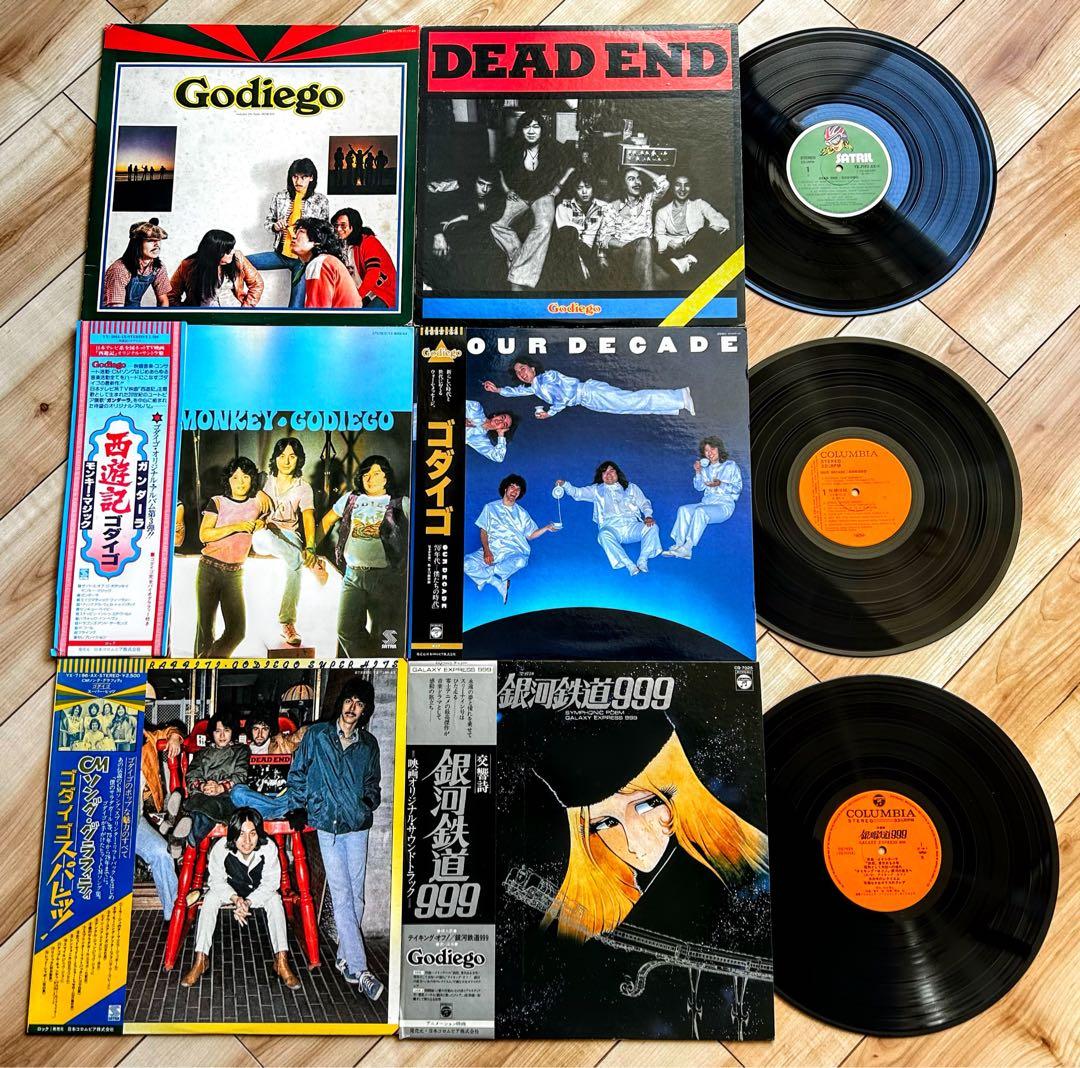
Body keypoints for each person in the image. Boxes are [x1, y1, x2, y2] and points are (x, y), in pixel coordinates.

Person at [536, 714, 768, 942]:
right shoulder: (574, 926)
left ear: (683, 791)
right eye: (604, 824)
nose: (634, 843)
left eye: (649, 803)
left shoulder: (753, 880)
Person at [227, 679, 387, 1000]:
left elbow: (373, 781)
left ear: (365, 711)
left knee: (357, 897)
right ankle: (361, 970)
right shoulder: (317, 735)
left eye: (360, 704)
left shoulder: (368, 744)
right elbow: (298, 774)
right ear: (341, 703)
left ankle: (344, 958)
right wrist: (299, 807)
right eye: (349, 701)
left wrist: (368, 800)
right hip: (327, 823)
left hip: (357, 824)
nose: (352, 708)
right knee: (342, 895)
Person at [179, 807, 301, 991]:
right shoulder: (221, 848)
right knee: (210, 899)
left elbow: (271, 883)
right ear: (233, 833)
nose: (247, 841)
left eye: (252, 834)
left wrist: (248, 902)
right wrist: (236, 899)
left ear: (258, 833)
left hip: (258, 893)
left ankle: (281, 961)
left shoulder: (268, 847)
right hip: (230, 891)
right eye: (241, 834)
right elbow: (216, 881)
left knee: (275, 900)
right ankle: (200, 959)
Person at [322, 455, 409, 656]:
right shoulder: (351, 499)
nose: (370, 479)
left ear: (386, 477)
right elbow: (327, 521)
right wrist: (311, 549)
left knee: (387, 634)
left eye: (376, 473)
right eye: (366, 474)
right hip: (352, 576)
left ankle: (382, 667)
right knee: (346, 630)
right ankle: (366, 664)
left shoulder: (399, 502)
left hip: (385, 577)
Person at [249, 437, 324, 649]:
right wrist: (258, 491)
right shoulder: (263, 479)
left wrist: (310, 546)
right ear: (275, 458)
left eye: (292, 456)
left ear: (299, 459)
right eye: (282, 456)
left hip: (290, 535)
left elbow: (308, 516)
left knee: (294, 565)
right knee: (261, 537)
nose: (286, 461)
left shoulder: (304, 487)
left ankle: (287, 622)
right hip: (265, 531)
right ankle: (298, 557)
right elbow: (240, 484)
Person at [194, 457, 271, 658]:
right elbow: (204, 535)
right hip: (209, 569)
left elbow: (269, 514)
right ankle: (203, 667)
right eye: (235, 477)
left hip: (235, 574)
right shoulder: (218, 501)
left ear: (252, 479)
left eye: (245, 477)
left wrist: (262, 523)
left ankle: (210, 661)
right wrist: (237, 527)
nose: (240, 482)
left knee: (237, 631)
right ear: (228, 480)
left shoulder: (257, 503)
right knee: (205, 633)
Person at [490, 111, 575, 289]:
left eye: (536, 127)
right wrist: (506, 190)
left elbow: (573, 165)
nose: (531, 131)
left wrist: (558, 186)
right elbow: (499, 169)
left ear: (542, 130)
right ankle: (519, 258)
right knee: (496, 224)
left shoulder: (553, 148)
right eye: (527, 127)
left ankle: (516, 278)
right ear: (521, 130)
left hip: (543, 195)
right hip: (519, 195)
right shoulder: (511, 147)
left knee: (544, 226)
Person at [484, 356, 694, 419]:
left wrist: (550, 413)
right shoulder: (535, 387)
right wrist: (498, 390)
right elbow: (517, 391)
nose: (521, 373)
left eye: (523, 368)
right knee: (629, 408)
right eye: (518, 373)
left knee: (632, 400)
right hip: (589, 401)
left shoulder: (547, 377)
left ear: (532, 367)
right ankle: (675, 405)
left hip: (590, 392)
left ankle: (680, 396)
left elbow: (562, 397)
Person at [164, 714, 250, 858]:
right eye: (217, 731)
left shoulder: (241, 750)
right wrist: (202, 786)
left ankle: (178, 826)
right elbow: (192, 774)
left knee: (205, 809)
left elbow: (240, 775)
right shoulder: (202, 753)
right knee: (199, 802)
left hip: (227, 797)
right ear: (212, 733)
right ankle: (181, 832)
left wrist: (220, 787)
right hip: (202, 793)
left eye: (226, 730)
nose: (222, 735)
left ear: (233, 732)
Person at [248, 158, 329, 308]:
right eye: (295, 177)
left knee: (296, 306)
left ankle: (292, 324)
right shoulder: (280, 197)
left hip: (303, 260)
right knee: (241, 262)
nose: (298, 181)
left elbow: (325, 232)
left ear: (311, 178)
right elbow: (268, 223)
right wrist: (275, 226)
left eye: (303, 177)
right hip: (281, 253)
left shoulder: (320, 201)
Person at [557, 461, 661, 575]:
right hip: (612, 528)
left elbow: (644, 503)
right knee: (603, 535)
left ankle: (643, 560)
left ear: (617, 473)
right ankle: (629, 564)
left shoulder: (631, 487)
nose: (608, 474)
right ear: (601, 476)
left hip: (632, 525)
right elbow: (577, 493)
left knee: (652, 527)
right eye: (604, 472)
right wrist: (564, 484)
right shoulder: (596, 490)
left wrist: (648, 516)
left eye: (611, 471)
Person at [464, 475, 557, 603]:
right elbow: (483, 531)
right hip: (492, 550)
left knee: (521, 561)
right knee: (466, 564)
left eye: (518, 489)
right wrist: (487, 550)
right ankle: (497, 583)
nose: (515, 491)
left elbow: (530, 535)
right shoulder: (490, 507)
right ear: (505, 489)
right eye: (512, 487)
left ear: (520, 494)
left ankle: (486, 575)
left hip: (513, 552)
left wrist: (546, 528)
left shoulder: (522, 513)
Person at [664, 437, 743, 560]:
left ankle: (687, 548)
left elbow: (738, 488)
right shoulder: (706, 469)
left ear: (719, 449)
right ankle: (678, 545)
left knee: (700, 511)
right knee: (683, 510)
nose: (710, 453)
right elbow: (699, 487)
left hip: (724, 505)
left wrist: (720, 484)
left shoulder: (730, 466)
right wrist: (698, 472)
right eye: (706, 451)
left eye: (712, 449)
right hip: (707, 503)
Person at [427, 169, 506, 290]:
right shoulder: (459, 193)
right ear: (474, 181)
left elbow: (488, 219)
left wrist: (463, 217)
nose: (484, 189)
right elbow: (432, 212)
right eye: (481, 183)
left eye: (489, 186)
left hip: (476, 248)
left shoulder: (495, 200)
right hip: (453, 241)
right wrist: (438, 234)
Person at [594, 166, 670, 289]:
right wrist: (633, 247)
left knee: (664, 277)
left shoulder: (647, 201)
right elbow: (604, 239)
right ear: (623, 185)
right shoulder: (612, 207)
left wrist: (640, 168)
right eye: (631, 179)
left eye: (638, 178)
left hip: (646, 253)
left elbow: (664, 184)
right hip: (622, 253)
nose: (637, 182)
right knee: (645, 242)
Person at [140, 723, 184, 922]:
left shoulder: (146, 738)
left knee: (161, 853)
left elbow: (169, 731)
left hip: (134, 819)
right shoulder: (98, 741)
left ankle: (172, 914)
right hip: (101, 820)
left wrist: (174, 738)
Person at [654, 174, 730, 285]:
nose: (682, 189)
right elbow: (659, 235)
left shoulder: (699, 204)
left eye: (686, 185)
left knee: (706, 232)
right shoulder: (662, 212)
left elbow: (722, 222)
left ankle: (687, 261)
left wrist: (701, 235)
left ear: (691, 187)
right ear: (672, 187)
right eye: (678, 185)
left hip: (697, 246)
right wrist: (671, 243)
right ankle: (685, 262)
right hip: (674, 250)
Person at [168, 229, 264, 308]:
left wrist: (246, 308)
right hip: (202, 316)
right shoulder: (188, 265)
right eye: (228, 251)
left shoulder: (238, 258)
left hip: (233, 313)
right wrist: (186, 315)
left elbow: (257, 283)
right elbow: (171, 295)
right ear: (215, 253)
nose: (233, 252)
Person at [547, 173, 608, 285]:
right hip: (569, 252)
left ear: (594, 187)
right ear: (574, 190)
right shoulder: (564, 207)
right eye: (579, 188)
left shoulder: (604, 207)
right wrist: (580, 262)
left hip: (590, 251)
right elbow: (566, 238)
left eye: (588, 187)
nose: (584, 192)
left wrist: (601, 256)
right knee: (570, 231)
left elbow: (604, 233)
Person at [332, 208, 397, 309]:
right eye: (337, 226)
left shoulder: (368, 242)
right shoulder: (345, 245)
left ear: (354, 225)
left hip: (383, 292)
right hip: (367, 294)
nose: (339, 229)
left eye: (343, 225)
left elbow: (373, 272)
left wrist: (357, 297)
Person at [291, 217, 363, 308]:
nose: (294, 236)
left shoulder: (319, 263)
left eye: (301, 232)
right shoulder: (327, 261)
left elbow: (318, 312)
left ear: (317, 241)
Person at [102, 218, 171, 308]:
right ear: (137, 244)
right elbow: (116, 308)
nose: (156, 245)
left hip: (134, 311)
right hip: (112, 313)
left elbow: (163, 301)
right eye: (150, 240)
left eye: (158, 240)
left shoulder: (158, 267)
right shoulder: (120, 269)